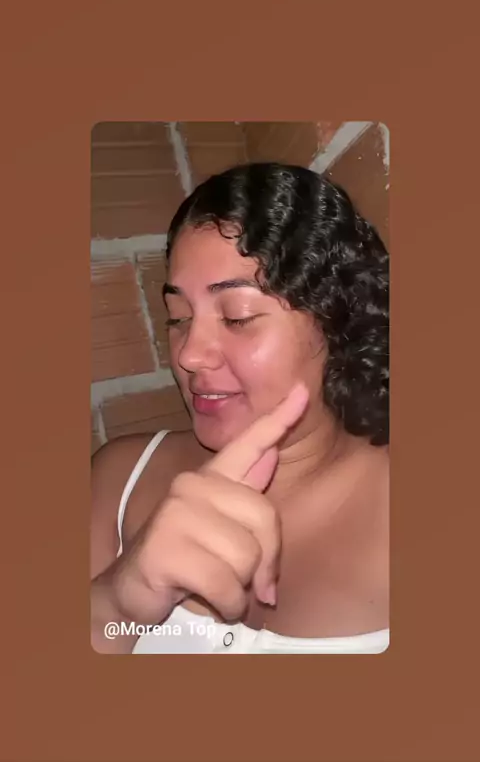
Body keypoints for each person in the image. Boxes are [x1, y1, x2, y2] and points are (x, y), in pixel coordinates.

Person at [90, 162, 389, 654]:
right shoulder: (117, 478)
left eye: (237, 316)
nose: (188, 355)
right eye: (178, 318)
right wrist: (115, 604)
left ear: (338, 322)